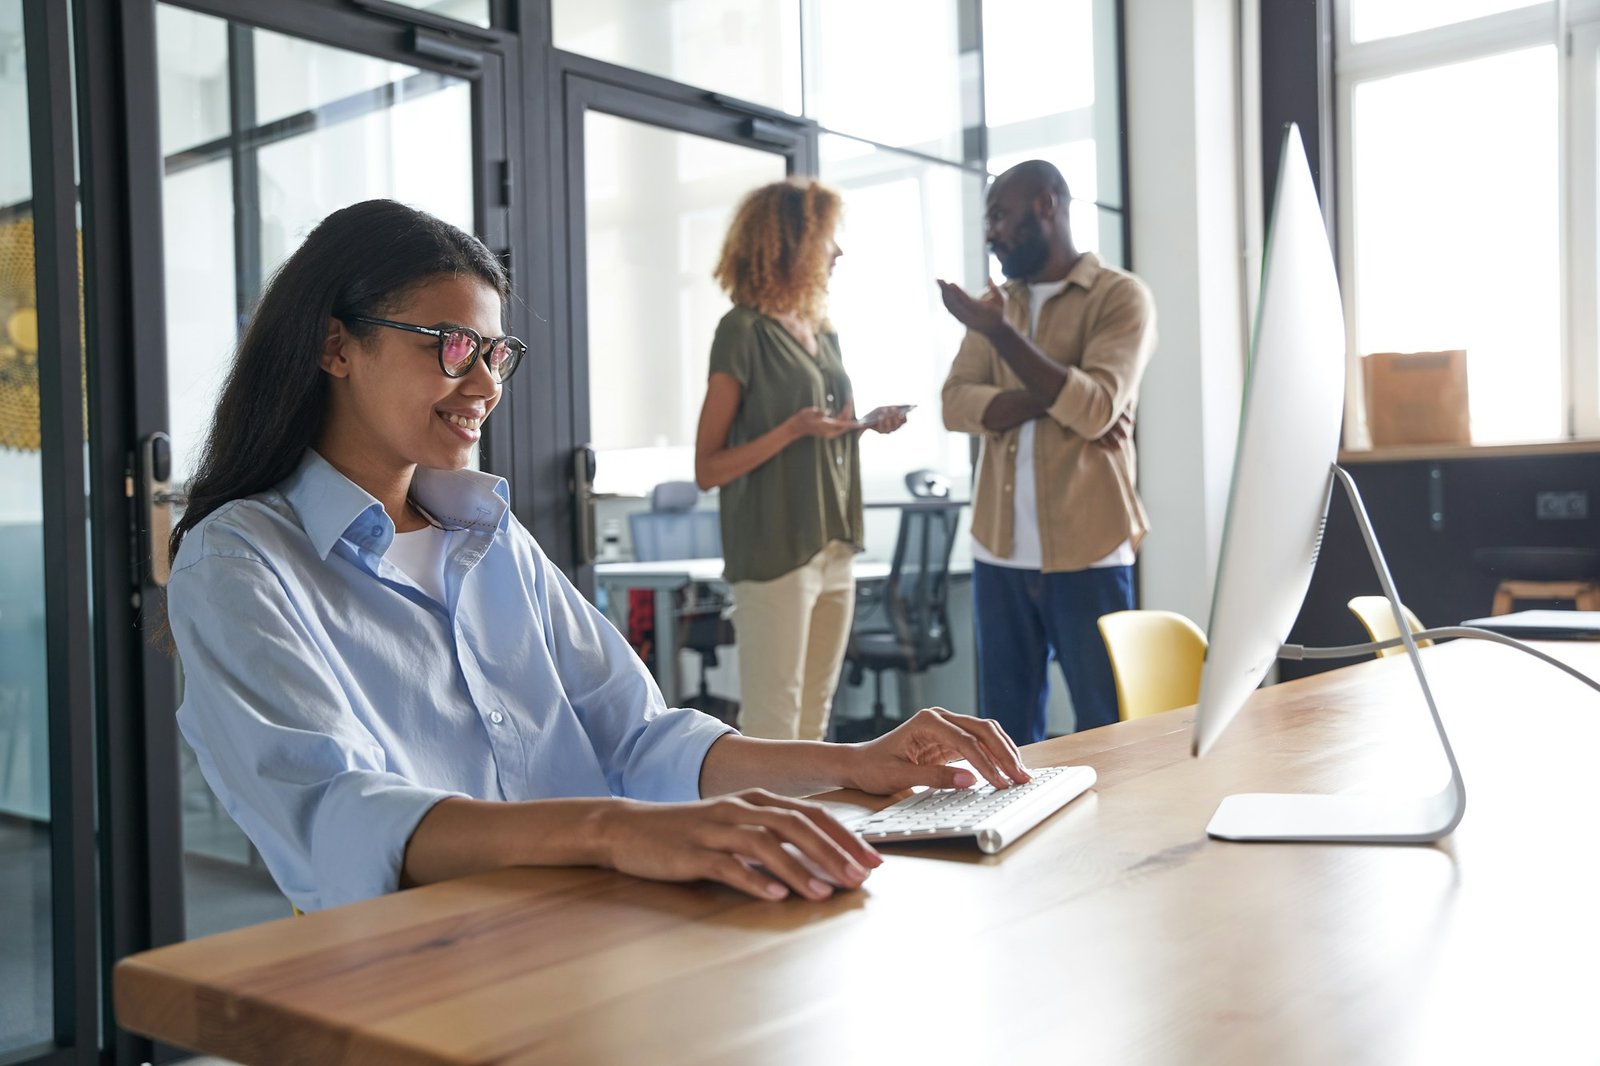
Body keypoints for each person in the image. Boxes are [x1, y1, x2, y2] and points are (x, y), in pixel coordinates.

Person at [165, 199, 1024, 914]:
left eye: (495, 354)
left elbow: (639, 737)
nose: (486, 385)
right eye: (451, 346)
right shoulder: (239, 564)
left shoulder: (488, 536)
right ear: (336, 347)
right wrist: (614, 830)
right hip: (426, 963)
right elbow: (335, 814)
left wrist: (854, 761)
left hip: (593, 923)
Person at [938, 160, 1156, 744]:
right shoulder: (996, 304)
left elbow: (1096, 408)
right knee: (1003, 733)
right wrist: (1061, 395)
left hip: (1092, 547)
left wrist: (1002, 338)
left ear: (1045, 206)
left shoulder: (1120, 296)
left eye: (999, 216)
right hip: (999, 549)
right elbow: (955, 405)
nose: (990, 233)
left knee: (1106, 726)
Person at [693, 179, 907, 742]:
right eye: (827, 239)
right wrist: (791, 431)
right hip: (775, 548)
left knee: (815, 719)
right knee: (774, 724)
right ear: (790, 243)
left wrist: (865, 424)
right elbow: (707, 468)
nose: (838, 252)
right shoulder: (741, 331)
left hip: (833, 541)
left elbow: (827, 430)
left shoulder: (823, 332)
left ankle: (811, 807)